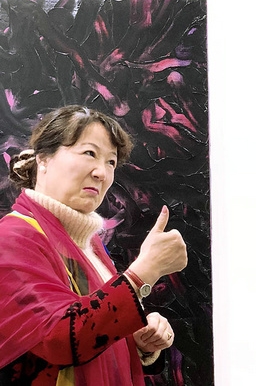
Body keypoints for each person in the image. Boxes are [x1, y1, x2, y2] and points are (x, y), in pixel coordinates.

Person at [0, 105, 188, 385]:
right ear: (43, 159)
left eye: (111, 162)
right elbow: (58, 338)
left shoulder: (91, 245)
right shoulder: (12, 238)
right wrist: (142, 275)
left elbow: (93, 334)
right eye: (89, 153)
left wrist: (139, 343)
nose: (102, 172)